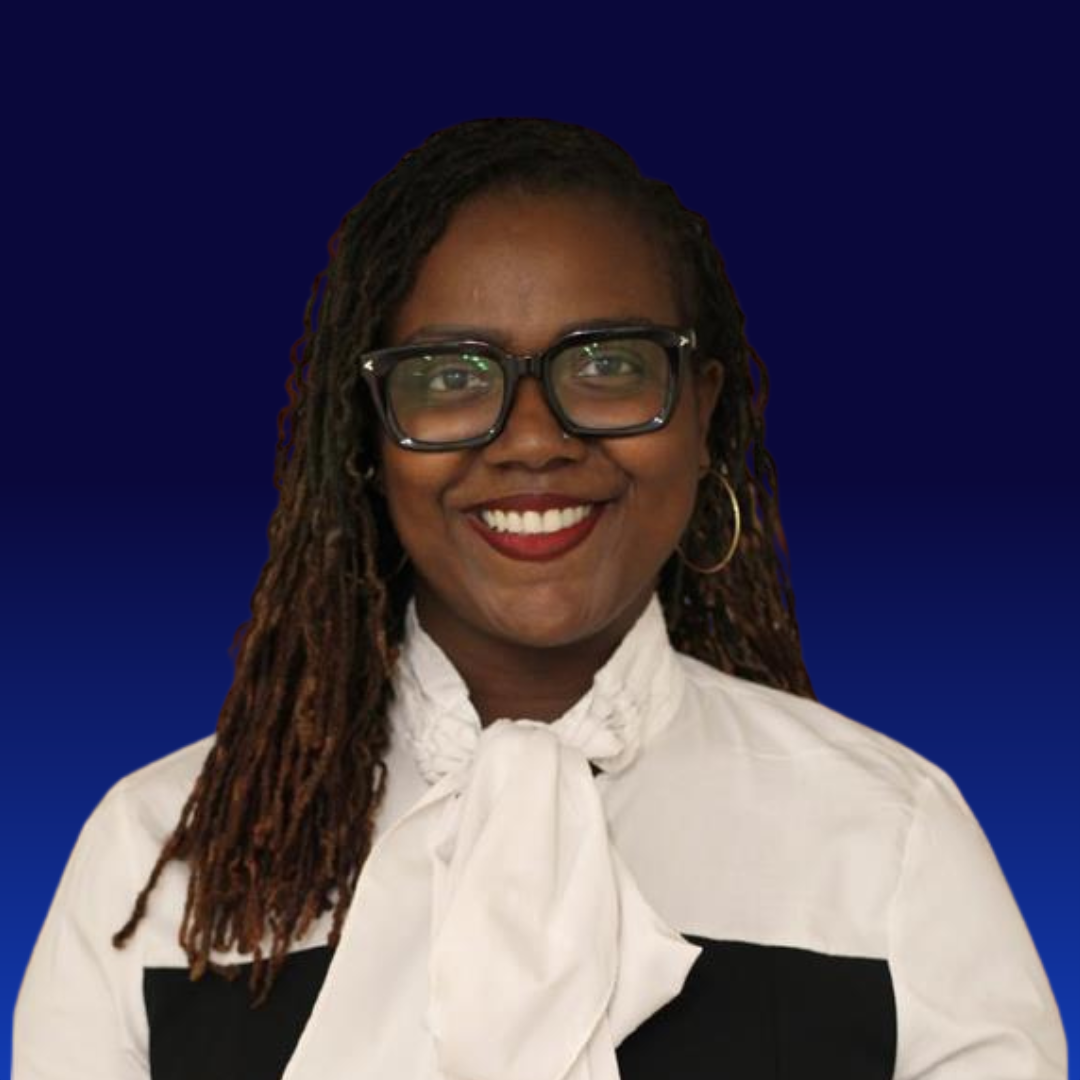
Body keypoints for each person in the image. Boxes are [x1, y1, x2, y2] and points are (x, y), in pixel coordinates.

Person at [13, 118, 1066, 1080]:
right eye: (449, 375)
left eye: (606, 364)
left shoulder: (887, 842)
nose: (531, 439)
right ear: (370, 436)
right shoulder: (159, 858)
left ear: (700, 413)